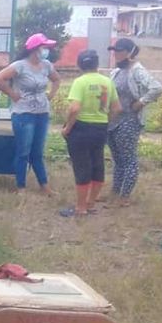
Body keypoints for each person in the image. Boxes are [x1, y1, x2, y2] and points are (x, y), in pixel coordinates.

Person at [0, 33, 62, 195]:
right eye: (44, 47)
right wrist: (12, 94)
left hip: (42, 113)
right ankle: (21, 187)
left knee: (37, 152)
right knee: (23, 152)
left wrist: (51, 94)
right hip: (24, 114)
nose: (47, 50)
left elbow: (57, 79)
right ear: (34, 49)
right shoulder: (20, 66)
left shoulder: (46, 65)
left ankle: (44, 186)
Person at [59, 50, 121, 217]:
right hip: (100, 128)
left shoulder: (80, 82)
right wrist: (105, 120)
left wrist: (67, 128)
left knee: (82, 167)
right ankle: (91, 203)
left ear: (79, 65)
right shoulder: (107, 82)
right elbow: (117, 108)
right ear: (96, 64)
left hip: (81, 128)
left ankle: (80, 208)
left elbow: (74, 108)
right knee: (97, 164)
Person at [106, 38, 162, 207]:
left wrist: (141, 102)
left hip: (129, 120)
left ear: (130, 53)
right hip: (114, 120)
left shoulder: (137, 71)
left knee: (128, 159)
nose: (116, 54)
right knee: (117, 159)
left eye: (120, 51)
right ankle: (115, 192)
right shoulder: (116, 71)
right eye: (115, 51)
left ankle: (124, 197)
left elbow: (157, 88)